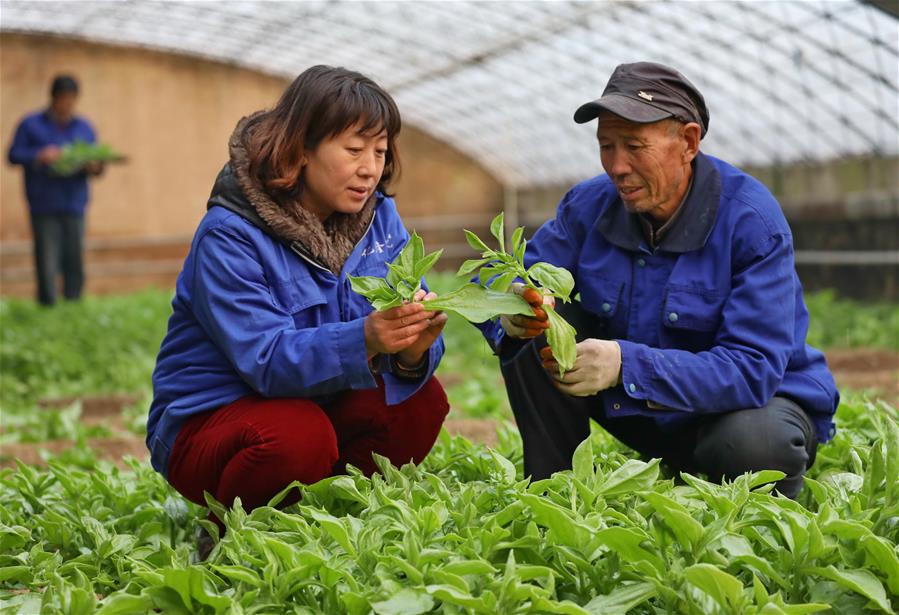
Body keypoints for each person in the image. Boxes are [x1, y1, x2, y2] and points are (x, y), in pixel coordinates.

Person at [483, 62, 839, 498]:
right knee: (537, 323)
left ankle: (753, 505)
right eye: (606, 146)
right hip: (647, 409)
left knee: (755, 444)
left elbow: (752, 369)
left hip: (747, 408)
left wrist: (625, 365)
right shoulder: (588, 206)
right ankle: (556, 494)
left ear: (688, 142)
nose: (617, 166)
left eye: (635, 146)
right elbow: (509, 275)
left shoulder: (750, 220)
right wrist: (511, 308)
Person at [146, 66, 450, 543]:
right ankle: (228, 534)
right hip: (211, 423)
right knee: (298, 437)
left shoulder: (379, 220)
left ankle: (337, 526)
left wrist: (412, 351)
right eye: (353, 150)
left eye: (380, 151)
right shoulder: (231, 234)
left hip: (315, 406)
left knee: (419, 401)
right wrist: (365, 338)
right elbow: (264, 359)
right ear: (301, 148)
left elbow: (411, 320)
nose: (370, 168)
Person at [7, 75, 103, 306]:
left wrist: (93, 165)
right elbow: (13, 155)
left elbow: (98, 165)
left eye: (71, 99)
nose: (67, 104)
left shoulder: (84, 127)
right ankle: (47, 304)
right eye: (64, 98)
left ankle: (73, 303)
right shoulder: (31, 124)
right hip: (43, 202)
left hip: (74, 202)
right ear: (54, 97)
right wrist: (39, 155)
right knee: (46, 257)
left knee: (74, 256)